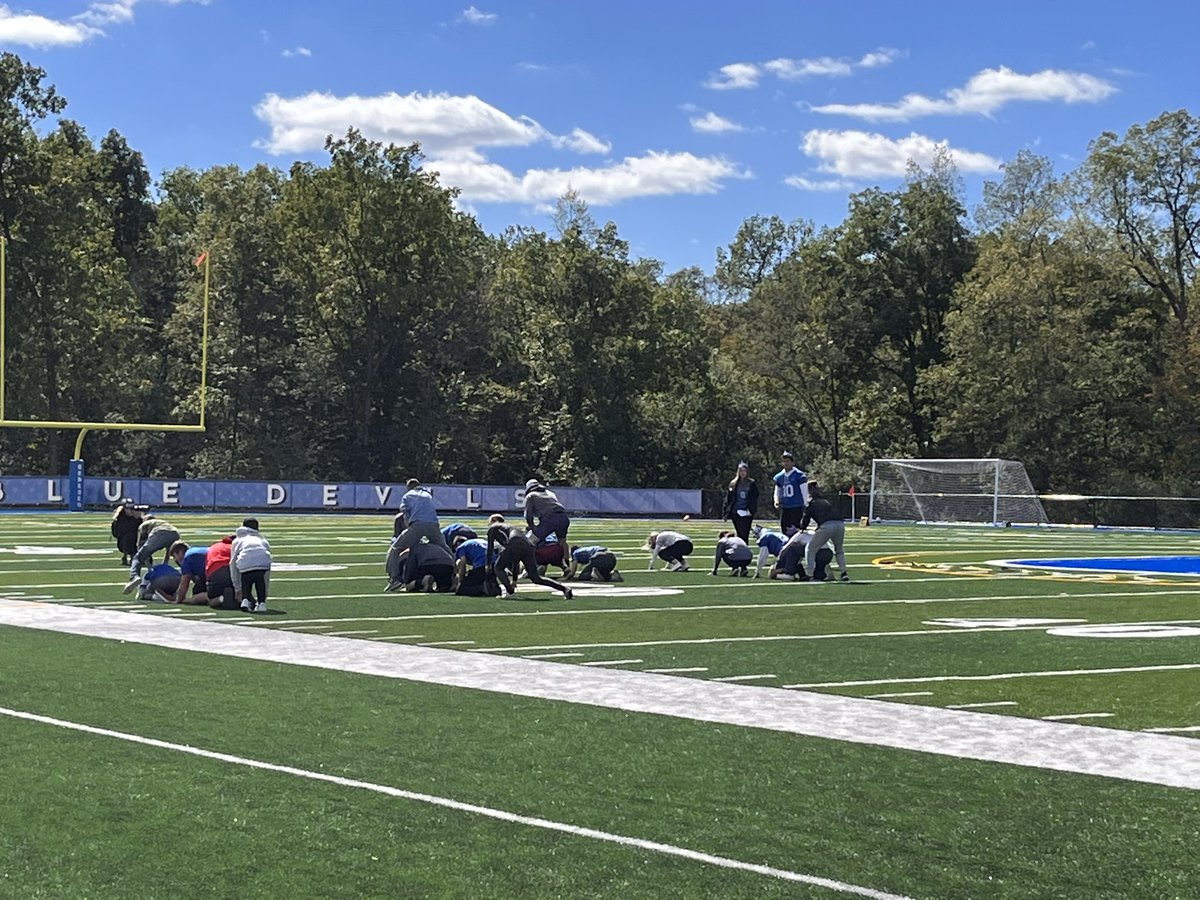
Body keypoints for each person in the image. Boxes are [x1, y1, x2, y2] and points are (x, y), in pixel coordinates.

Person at [386, 478, 449, 590]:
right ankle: (455, 573)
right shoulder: (427, 495)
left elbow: (405, 514)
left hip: (418, 524)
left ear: (409, 487)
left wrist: (409, 529)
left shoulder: (407, 496)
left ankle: (394, 579)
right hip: (434, 524)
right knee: (444, 548)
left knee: (395, 549)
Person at [487, 519, 573, 600]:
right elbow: (515, 559)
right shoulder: (509, 528)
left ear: (493, 521)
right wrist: (514, 580)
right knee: (536, 578)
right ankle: (565, 589)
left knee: (498, 568)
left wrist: (488, 564)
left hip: (516, 543)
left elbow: (490, 549)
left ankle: (510, 592)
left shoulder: (493, 528)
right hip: (529, 545)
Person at [799, 485, 850, 582]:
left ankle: (809, 574)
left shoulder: (811, 503)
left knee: (810, 549)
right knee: (839, 550)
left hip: (826, 526)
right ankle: (844, 573)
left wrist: (802, 528)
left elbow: (806, 519)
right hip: (840, 524)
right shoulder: (826, 501)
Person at [123, 514, 181, 594]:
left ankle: (134, 577)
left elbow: (139, 546)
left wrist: (149, 568)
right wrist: (164, 567)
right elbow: (168, 554)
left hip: (159, 532)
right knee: (175, 555)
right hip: (175, 533)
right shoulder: (162, 522)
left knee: (137, 557)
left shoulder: (143, 525)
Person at [524, 479, 571, 569]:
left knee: (530, 541)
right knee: (562, 542)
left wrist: (532, 526)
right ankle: (566, 566)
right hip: (563, 516)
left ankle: (531, 567)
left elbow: (528, 515)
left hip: (550, 518)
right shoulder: (550, 493)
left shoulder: (531, 496)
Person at [232, 518, 273, 613]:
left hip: (245, 563)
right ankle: (261, 603)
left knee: (246, 579)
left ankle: (245, 601)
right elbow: (267, 560)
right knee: (260, 580)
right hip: (263, 564)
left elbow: (233, 563)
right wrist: (266, 592)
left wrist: (237, 587)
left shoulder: (238, 540)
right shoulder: (263, 540)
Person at [772, 451, 809, 534]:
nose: (786, 463)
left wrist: (805, 504)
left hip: (796, 506)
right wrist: (776, 501)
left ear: (793, 462)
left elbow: (804, 492)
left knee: (796, 530)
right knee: (784, 529)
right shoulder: (779, 477)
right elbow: (777, 491)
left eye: (788, 461)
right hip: (785, 507)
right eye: (784, 461)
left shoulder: (799, 475)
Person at [722, 462, 759, 543]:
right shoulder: (733, 483)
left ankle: (744, 548)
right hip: (736, 512)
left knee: (745, 534)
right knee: (739, 533)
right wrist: (725, 511)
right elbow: (728, 498)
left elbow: (754, 498)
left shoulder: (751, 483)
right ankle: (739, 548)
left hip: (747, 513)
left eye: (744, 471)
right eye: (741, 471)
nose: (743, 473)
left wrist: (751, 510)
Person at [170, 541, 210, 605]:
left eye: (175, 556)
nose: (175, 560)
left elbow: (184, 583)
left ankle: (214, 596)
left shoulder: (187, 558)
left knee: (197, 594)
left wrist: (179, 599)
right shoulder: (195, 551)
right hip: (223, 564)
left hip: (215, 572)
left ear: (180, 552)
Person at [205, 535, 237, 609]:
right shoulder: (236, 547)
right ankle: (240, 598)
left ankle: (222, 598)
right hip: (232, 571)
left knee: (211, 600)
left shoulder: (214, 546)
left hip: (215, 572)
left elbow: (207, 565)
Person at [110, 500, 144, 567]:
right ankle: (128, 556)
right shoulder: (120, 519)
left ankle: (136, 557)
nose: (131, 511)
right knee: (129, 536)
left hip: (135, 541)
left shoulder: (136, 518)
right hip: (123, 542)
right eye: (128, 509)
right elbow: (115, 532)